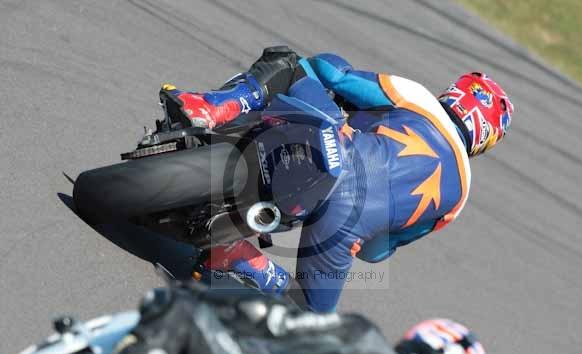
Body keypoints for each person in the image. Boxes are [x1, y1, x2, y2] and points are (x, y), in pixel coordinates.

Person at [165, 46, 514, 312]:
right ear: (486, 139)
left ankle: (211, 108)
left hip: (331, 150)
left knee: (292, 65)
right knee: (309, 312)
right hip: (344, 227)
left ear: (455, 92)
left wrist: (339, 102)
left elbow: (333, 74)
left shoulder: (421, 99)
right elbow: (376, 252)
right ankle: (245, 261)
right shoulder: (459, 196)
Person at [46, 284, 489, 354]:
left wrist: (207, 297)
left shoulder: (365, 341)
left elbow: (274, 323)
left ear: (413, 342)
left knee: (185, 310)